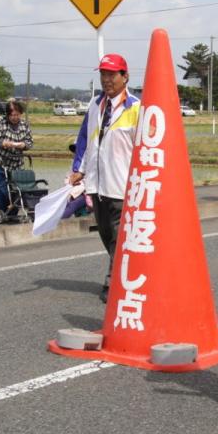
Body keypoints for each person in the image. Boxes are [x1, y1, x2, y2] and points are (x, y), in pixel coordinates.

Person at [70, 54, 140, 302]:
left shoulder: (136, 108)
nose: (107, 80)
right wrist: (78, 168)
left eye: (112, 75)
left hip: (122, 186)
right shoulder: (95, 105)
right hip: (97, 185)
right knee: (108, 237)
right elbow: (83, 139)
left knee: (120, 239)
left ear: (125, 76)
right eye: (103, 74)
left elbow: (145, 150)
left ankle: (114, 286)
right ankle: (126, 277)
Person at [0, 99, 33, 220]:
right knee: (1, 188)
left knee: (16, 187)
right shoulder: (0, 123)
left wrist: (23, 145)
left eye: (17, 115)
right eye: (12, 115)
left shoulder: (23, 125)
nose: (15, 117)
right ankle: (3, 211)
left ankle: (13, 212)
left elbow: (30, 142)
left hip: (16, 161)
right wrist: (3, 143)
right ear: (7, 114)